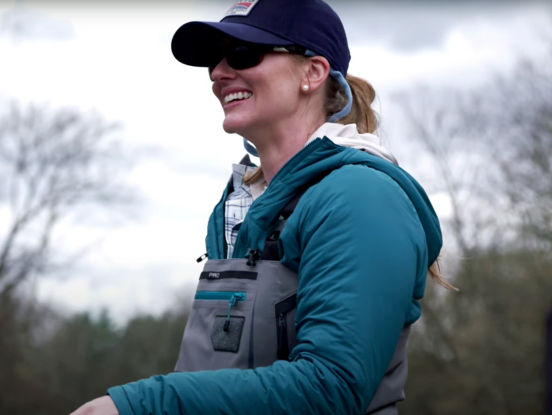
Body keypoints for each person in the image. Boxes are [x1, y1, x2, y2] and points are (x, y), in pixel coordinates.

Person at [72, 0, 447, 413]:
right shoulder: (240, 207)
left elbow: (331, 387)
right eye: (215, 60)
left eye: (243, 53)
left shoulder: (361, 196)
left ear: (313, 72)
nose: (218, 72)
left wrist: (138, 407)